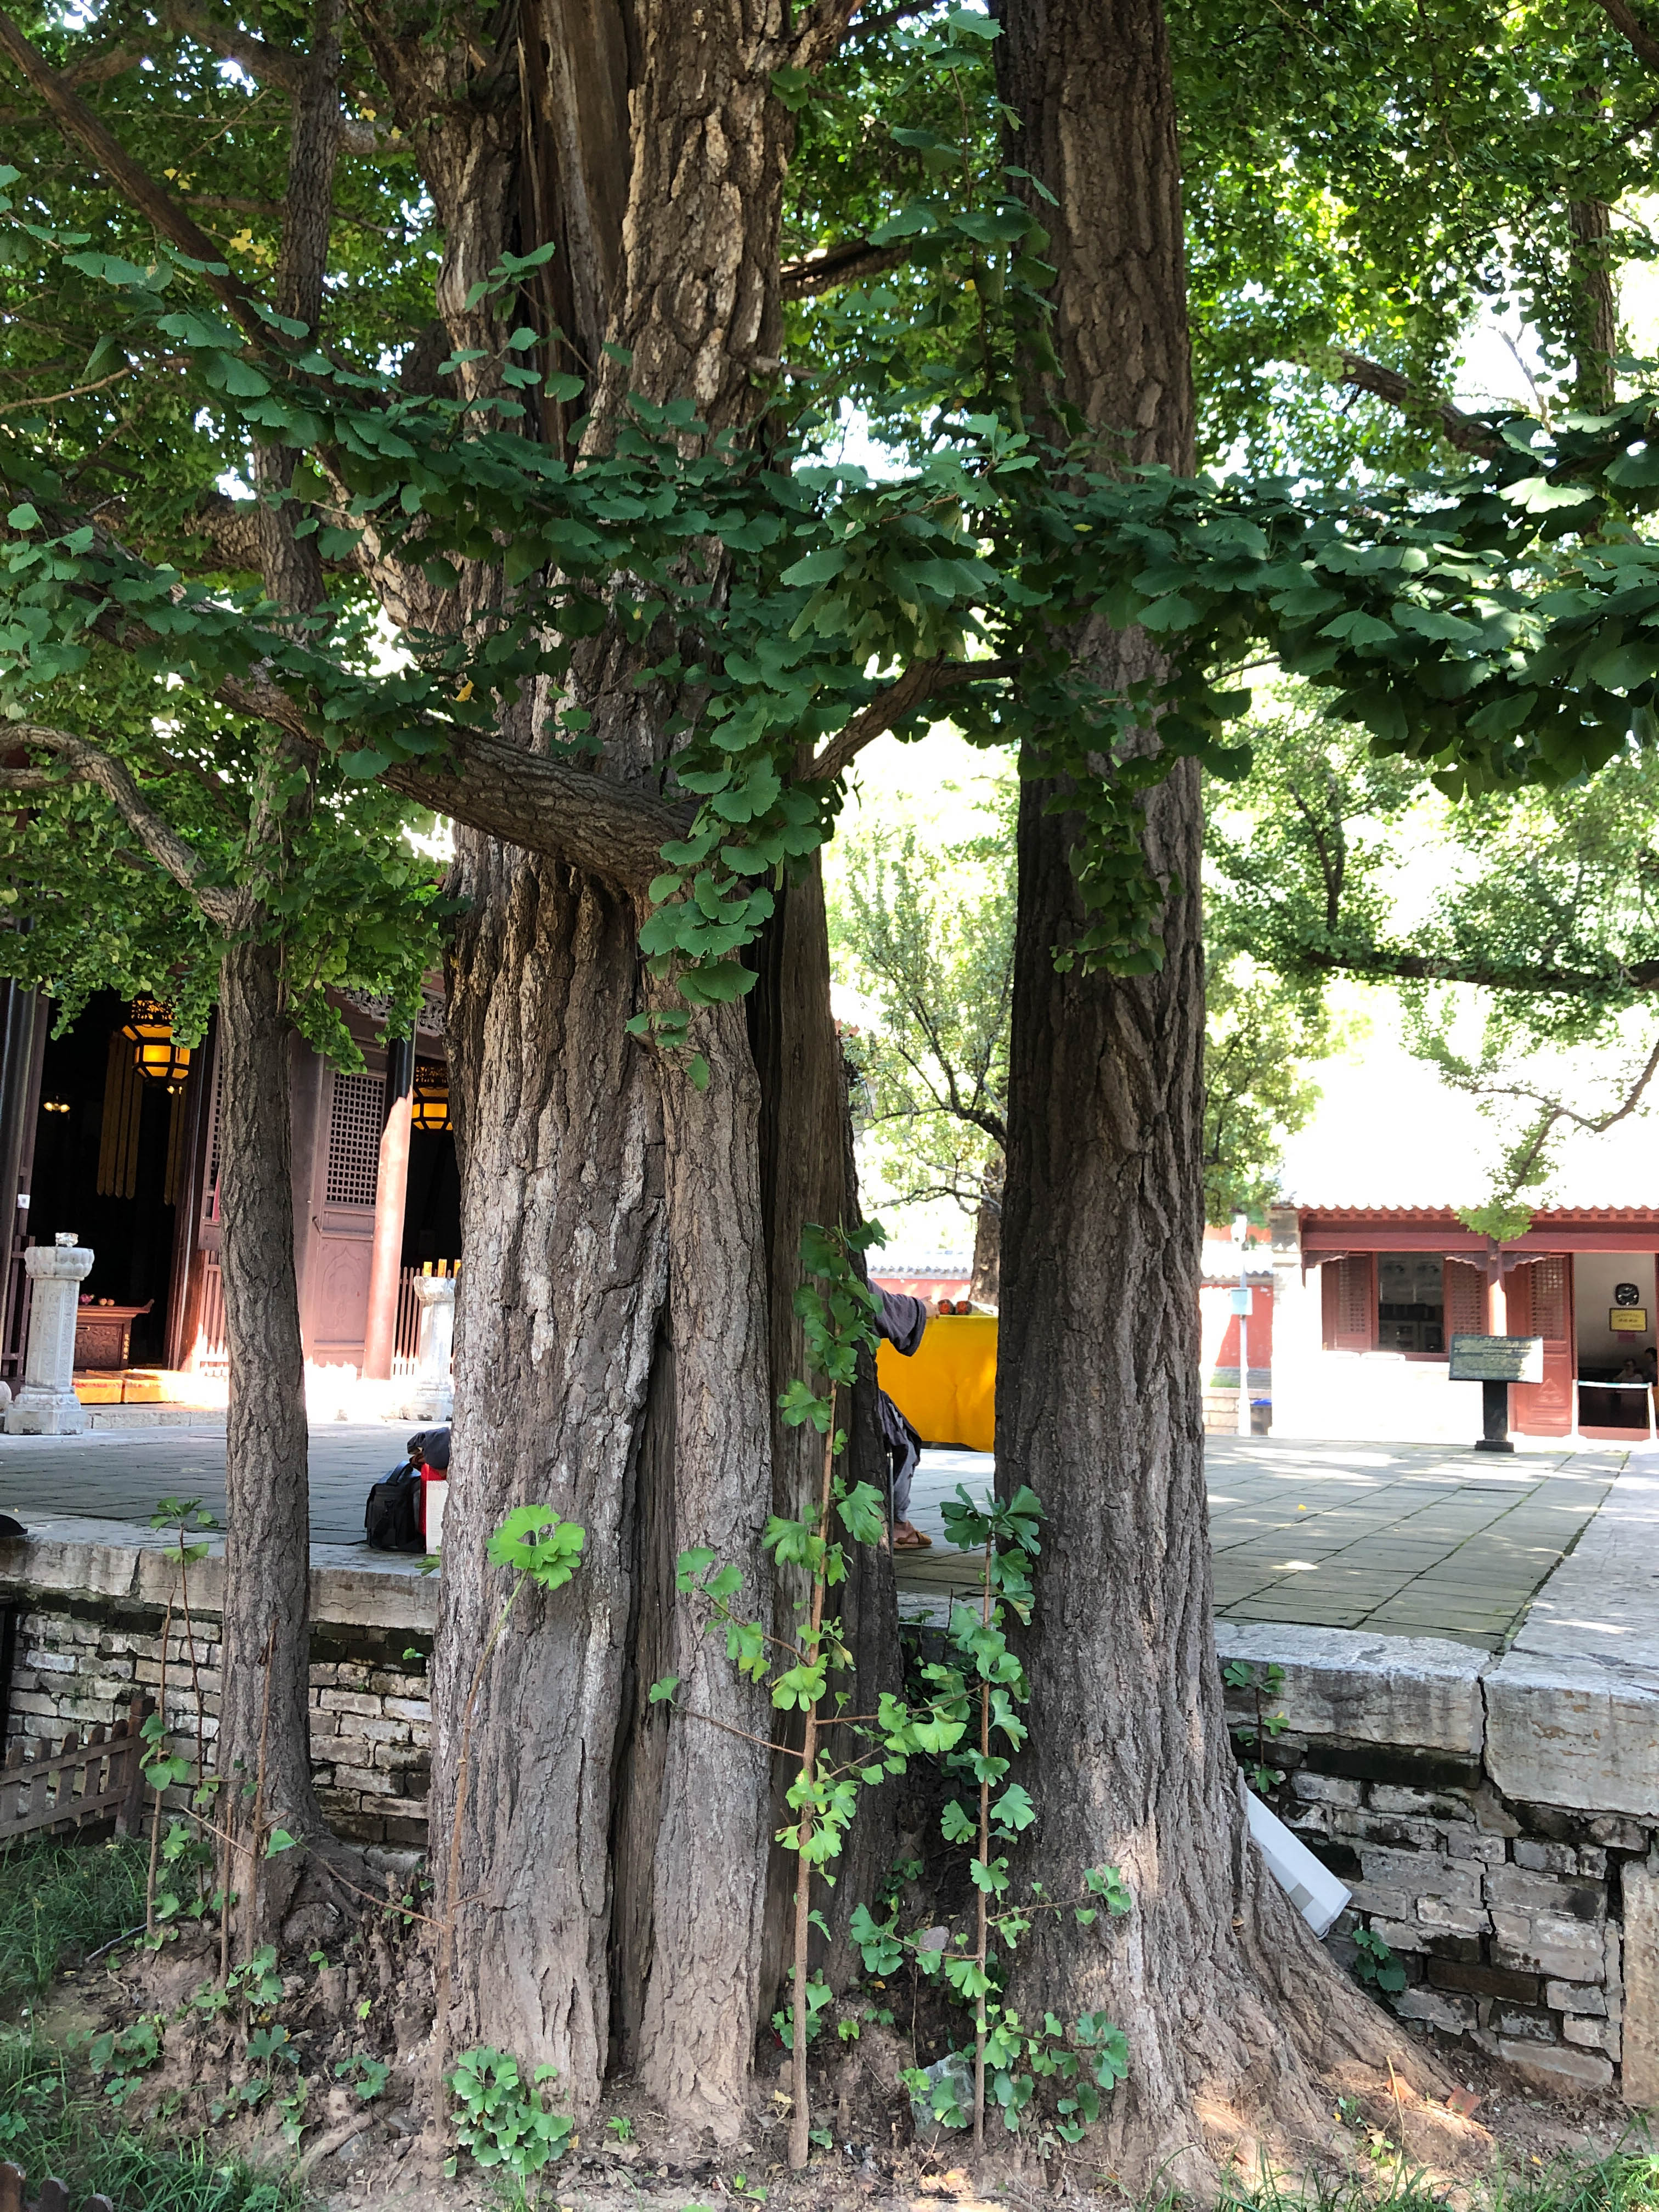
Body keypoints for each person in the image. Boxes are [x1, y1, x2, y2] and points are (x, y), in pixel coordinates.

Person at [872, 1286, 930, 1550]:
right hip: (852, 1388)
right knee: (905, 1443)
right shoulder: (845, 1276)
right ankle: (898, 1525)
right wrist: (923, 1309)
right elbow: (886, 1306)